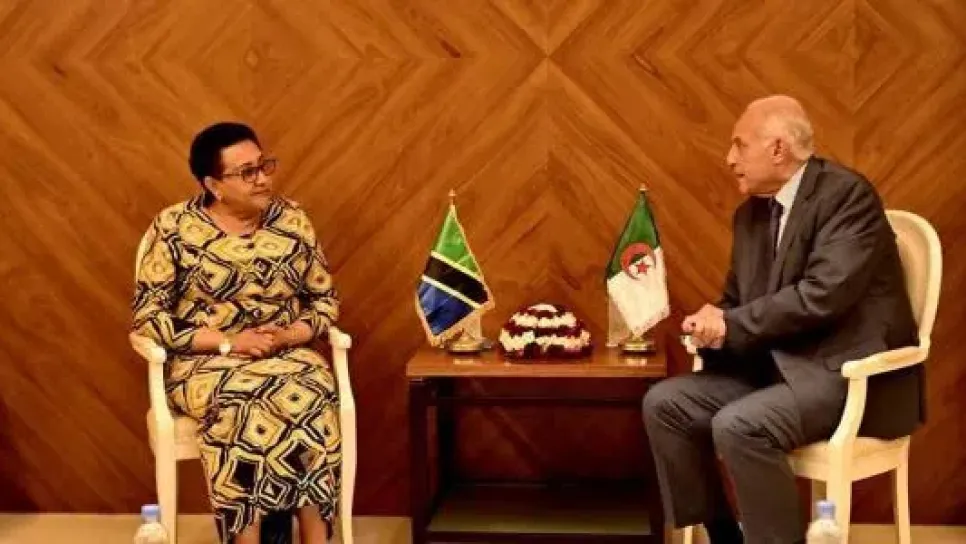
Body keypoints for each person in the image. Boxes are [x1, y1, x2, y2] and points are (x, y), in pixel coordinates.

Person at [642, 95, 921, 544]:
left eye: (739, 145)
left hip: (843, 373)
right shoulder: (750, 215)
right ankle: (723, 537)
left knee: (739, 425)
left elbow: (822, 296)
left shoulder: (846, 196)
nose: (729, 158)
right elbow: (739, 302)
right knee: (666, 404)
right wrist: (715, 321)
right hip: (776, 368)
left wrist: (733, 323)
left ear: (777, 149)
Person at [132, 122, 342, 544]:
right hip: (206, 362)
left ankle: (316, 539)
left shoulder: (293, 220)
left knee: (312, 395)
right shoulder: (173, 227)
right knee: (243, 402)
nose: (261, 178)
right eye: (246, 172)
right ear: (213, 184)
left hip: (288, 356)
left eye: (264, 166)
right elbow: (150, 317)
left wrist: (288, 336)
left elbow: (325, 302)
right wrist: (229, 342)